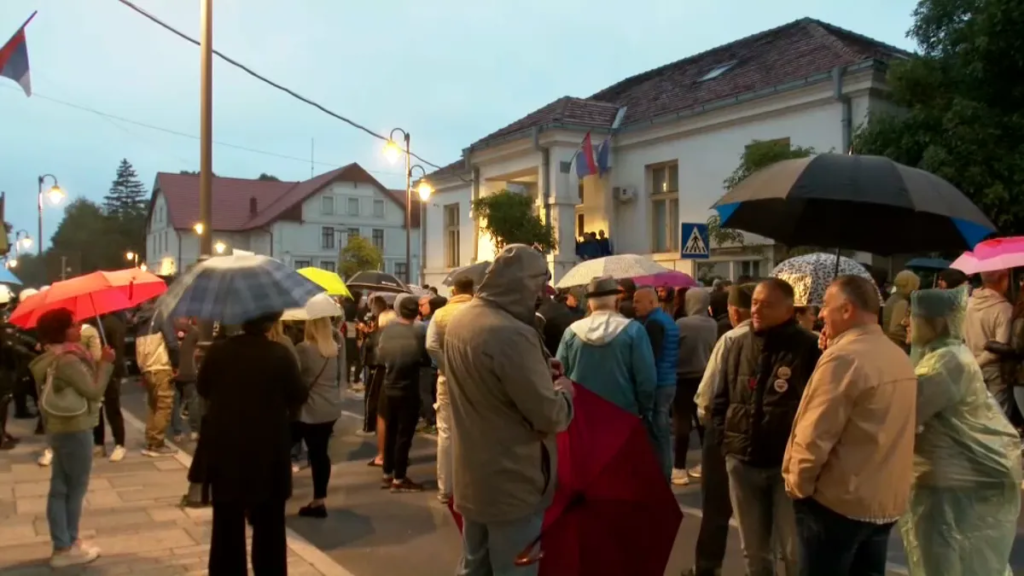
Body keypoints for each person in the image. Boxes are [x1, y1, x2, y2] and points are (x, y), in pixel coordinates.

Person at [444, 244, 574, 576]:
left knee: (474, 566)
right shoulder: (512, 334)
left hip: (473, 476)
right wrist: (565, 393)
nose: (542, 295)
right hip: (514, 482)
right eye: (540, 285)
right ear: (524, 284)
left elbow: (491, 381)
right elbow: (549, 415)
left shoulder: (462, 319)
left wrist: (538, 366)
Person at [782, 276, 917, 576]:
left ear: (846, 309)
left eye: (825, 305)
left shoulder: (844, 359)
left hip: (838, 503)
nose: (820, 314)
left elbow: (814, 435)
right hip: (883, 502)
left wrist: (798, 485)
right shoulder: (897, 356)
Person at [899, 286, 1021, 575]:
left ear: (935, 323)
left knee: (944, 560)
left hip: (947, 481)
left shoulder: (946, 362)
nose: (905, 322)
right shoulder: (945, 356)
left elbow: (907, 412)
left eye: (913, 316)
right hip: (948, 476)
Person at [711, 278, 820, 576]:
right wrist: (726, 443)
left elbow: (818, 409)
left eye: (766, 305)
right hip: (741, 462)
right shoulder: (737, 343)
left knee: (795, 552)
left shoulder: (809, 347)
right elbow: (720, 399)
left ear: (788, 310)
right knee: (754, 551)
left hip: (787, 467)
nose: (756, 310)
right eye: (755, 303)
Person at [198, 311, 307, 575]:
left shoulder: (219, 352)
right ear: (270, 323)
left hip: (226, 448)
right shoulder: (280, 355)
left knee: (226, 526)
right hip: (268, 450)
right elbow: (298, 395)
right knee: (270, 526)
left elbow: (203, 388)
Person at [30, 308, 114, 568]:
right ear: (62, 331)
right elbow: (94, 391)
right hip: (75, 428)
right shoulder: (68, 360)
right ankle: (65, 547)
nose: (79, 328)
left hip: (59, 428)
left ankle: (65, 542)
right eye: (73, 324)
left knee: (60, 487)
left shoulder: (53, 356)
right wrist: (106, 363)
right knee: (74, 489)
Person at [687, 283, 754, 576]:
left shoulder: (730, 339)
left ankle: (707, 567)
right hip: (767, 437)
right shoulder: (791, 339)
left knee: (716, 505)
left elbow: (706, 396)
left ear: (735, 312)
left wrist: (708, 422)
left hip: (726, 431)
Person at [556, 276, 656, 417]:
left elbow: (559, 373)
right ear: (616, 301)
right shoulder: (634, 331)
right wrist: (646, 409)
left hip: (581, 413)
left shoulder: (571, 332)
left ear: (590, 304)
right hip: (622, 412)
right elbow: (646, 379)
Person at [425, 275, 474, 504]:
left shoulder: (440, 314)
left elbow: (431, 345)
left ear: (453, 291)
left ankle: (446, 489)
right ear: (472, 290)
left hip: (447, 378)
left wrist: (446, 366)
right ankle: (470, 486)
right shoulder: (478, 312)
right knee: (474, 430)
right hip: (475, 378)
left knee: (446, 432)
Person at [378, 296, 430, 492]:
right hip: (408, 388)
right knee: (404, 434)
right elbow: (425, 356)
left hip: (388, 386)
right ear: (416, 312)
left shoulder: (388, 329)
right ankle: (399, 478)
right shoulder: (420, 330)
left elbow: (381, 355)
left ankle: (387, 473)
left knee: (390, 431)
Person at [294, 317, 344, 518]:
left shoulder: (303, 349)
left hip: (310, 409)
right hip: (330, 408)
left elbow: (296, 376)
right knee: (320, 454)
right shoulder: (333, 349)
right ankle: (319, 499)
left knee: (286, 446)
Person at [672, 288, 717, 486]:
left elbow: (673, 348)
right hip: (704, 377)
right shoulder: (712, 324)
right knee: (703, 424)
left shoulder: (681, 324)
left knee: (682, 424)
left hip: (682, 378)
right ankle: (706, 464)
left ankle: (679, 468)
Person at [633, 285, 679, 479]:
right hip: (668, 380)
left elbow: (650, 357)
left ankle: (662, 476)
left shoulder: (653, 324)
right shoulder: (666, 319)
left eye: (638, 301)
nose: (634, 305)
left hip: (659, 382)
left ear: (652, 302)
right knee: (661, 432)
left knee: (658, 434)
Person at [964, 269, 1014, 419]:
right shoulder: (1004, 309)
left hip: (970, 365)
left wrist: (973, 363)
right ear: (1003, 278)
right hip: (995, 373)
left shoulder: (968, 303)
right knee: (999, 418)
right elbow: (1000, 346)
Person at [135, 306, 180, 457]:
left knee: (153, 405)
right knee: (164, 406)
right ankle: (157, 444)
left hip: (147, 369)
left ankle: (150, 441)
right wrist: (176, 365)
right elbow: (172, 344)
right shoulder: (159, 316)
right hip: (160, 367)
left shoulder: (139, 321)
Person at [93, 312, 128, 462]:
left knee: (112, 408)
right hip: (97, 371)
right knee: (97, 409)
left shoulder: (112, 323)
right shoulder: (97, 322)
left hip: (110, 371)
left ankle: (119, 444)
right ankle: (99, 444)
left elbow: (118, 350)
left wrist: (112, 367)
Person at [882, 269, 920, 352]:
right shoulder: (902, 303)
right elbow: (895, 330)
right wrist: (911, 337)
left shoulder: (892, 298)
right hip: (897, 346)